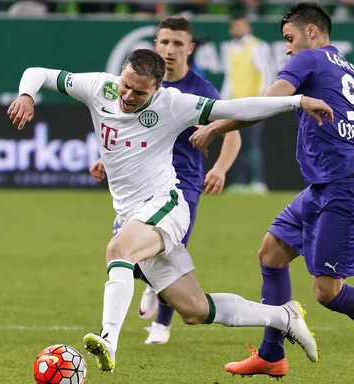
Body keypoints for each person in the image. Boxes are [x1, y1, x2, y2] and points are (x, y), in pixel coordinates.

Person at [7, 48, 334, 373]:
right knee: (194, 309)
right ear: (121, 73)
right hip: (133, 216)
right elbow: (39, 71)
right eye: (126, 85)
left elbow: (235, 108)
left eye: (139, 91)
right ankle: (283, 316)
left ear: (157, 89)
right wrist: (26, 96)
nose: (128, 95)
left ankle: (109, 339)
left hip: (166, 205)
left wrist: (297, 101)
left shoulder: (173, 104)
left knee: (118, 248)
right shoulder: (100, 87)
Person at [190, 2, 354, 384]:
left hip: (344, 192)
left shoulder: (309, 62)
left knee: (327, 292)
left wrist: (214, 128)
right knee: (271, 254)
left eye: (289, 39)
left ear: (311, 32)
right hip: (324, 187)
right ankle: (272, 354)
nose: (287, 49)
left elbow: (266, 104)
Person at [88, 17, 242, 345]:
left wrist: (220, 168)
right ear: (155, 45)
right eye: (164, 42)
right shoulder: (142, 87)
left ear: (189, 48)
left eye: (176, 43)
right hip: (141, 180)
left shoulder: (201, 90)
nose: (170, 49)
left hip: (182, 182)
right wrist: (108, 156)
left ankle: (161, 325)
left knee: (163, 247)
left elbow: (232, 132)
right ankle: (151, 288)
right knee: (127, 251)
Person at [220, 13, 276, 194]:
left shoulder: (257, 46)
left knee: (254, 144)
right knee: (237, 143)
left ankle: (258, 182)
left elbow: (267, 73)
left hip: (254, 104)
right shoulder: (230, 48)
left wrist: (263, 101)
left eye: (240, 25)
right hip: (236, 106)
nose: (237, 29)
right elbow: (230, 78)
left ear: (247, 28)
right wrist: (221, 103)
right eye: (234, 26)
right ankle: (240, 183)